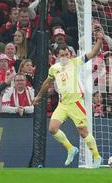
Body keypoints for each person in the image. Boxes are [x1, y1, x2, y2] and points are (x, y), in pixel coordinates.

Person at [33, 32, 104, 168]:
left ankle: (96, 156)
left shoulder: (76, 62)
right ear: (57, 56)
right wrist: (38, 96)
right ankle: (71, 149)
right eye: (62, 55)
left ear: (69, 54)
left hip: (76, 102)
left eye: (66, 54)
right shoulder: (54, 69)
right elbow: (47, 83)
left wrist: (100, 40)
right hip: (63, 104)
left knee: (83, 131)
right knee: (53, 129)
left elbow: (93, 53)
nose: (65, 57)